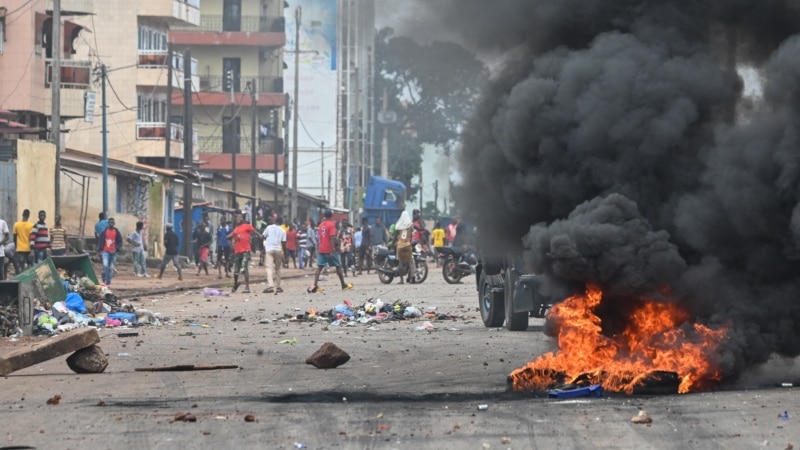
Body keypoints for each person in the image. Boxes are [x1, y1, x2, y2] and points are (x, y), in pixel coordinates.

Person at [309, 209, 353, 293]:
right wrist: (332, 250)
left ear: (324, 216)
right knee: (338, 266)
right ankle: (343, 284)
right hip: (329, 249)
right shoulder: (331, 225)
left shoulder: (321, 225)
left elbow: (320, 237)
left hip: (321, 248)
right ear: (331, 216)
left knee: (319, 267)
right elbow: (332, 238)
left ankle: (315, 285)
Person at [227, 213, 260, 293]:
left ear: (243, 219)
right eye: (237, 217)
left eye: (240, 217)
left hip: (245, 250)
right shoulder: (236, 229)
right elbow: (229, 236)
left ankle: (247, 287)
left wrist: (259, 235)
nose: (238, 219)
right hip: (237, 251)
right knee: (236, 270)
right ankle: (235, 284)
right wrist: (230, 237)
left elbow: (254, 231)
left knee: (244, 268)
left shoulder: (247, 226)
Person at [261, 215, 286, 294]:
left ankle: (270, 286)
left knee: (269, 268)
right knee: (278, 269)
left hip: (269, 249)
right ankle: (278, 286)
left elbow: (263, 236)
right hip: (278, 250)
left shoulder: (269, 227)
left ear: (275, 221)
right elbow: (284, 243)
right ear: (281, 223)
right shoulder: (283, 230)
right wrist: (284, 254)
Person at [97, 217, 123, 286]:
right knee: (105, 266)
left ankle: (108, 282)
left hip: (113, 253)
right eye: (110, 222)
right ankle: (103, 279)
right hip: (105, 251)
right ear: (108, 223)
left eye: (112, 223)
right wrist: (99, 250)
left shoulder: (116, 232)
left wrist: (116, 249)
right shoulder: (105, 232)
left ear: (114, 224)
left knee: (111, 268)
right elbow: (100, 241)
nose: (111, 224)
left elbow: (120, 242)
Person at [394, 211, 415, 284]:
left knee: (400, 263)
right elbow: (412, 233)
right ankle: (413, 277)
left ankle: (401, 280)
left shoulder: (399, 225)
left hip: (400, 246)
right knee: (410, 261)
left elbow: (395, 235)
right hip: (407, 245)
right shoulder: (410, 225)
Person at [0, 215, 8, 280]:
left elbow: (7, 237)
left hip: (0, 253)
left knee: (0, 272)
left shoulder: (3, 223)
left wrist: (0, 243)